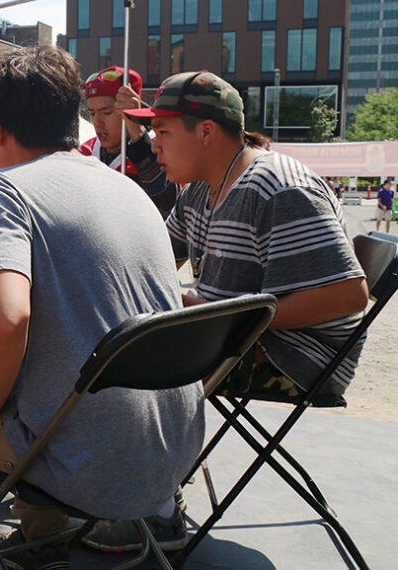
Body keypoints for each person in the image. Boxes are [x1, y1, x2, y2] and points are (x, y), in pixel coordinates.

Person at [0, 46, 204, 570]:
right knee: (44, 369)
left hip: (89, 465)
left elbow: (10, 318)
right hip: (172, 456)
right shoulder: (127, 189)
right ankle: (42, 540)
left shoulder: (5, 189)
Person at [81, 70, 370, 552]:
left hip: (297, 356)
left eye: (162, 131)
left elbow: (348, 294)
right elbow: (152, 252)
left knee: (131, 365)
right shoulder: (199, 186)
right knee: (114, 337)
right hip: (239, 335)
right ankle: (138, 491)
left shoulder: (278, 186)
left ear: (207, 131)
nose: (152, 145)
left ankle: (154, 511)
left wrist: (226, 319)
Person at [80, 66, 179, 219]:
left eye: (107, 112)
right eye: (92, 113)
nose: (98, 122)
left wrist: (138, 135)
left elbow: (166, 205)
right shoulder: (86, 151)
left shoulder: (159, 149)